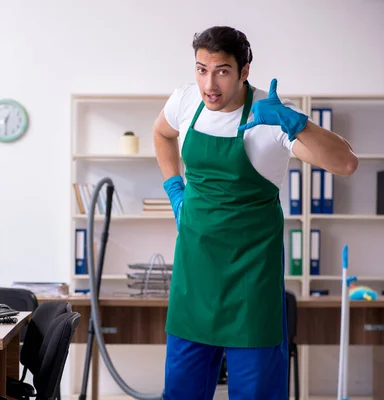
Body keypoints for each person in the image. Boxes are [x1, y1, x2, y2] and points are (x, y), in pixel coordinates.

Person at [153, 26, 358, 400]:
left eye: (222, 71)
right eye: (201, 69)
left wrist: (296, 122)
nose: (209, 84)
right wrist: (175, 190)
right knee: (181, 393)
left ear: (244, 71)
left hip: (251, 281)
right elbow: (161, 134)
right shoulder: (185, 102)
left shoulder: (270, 116)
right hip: (194, 275)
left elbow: (345, 163)